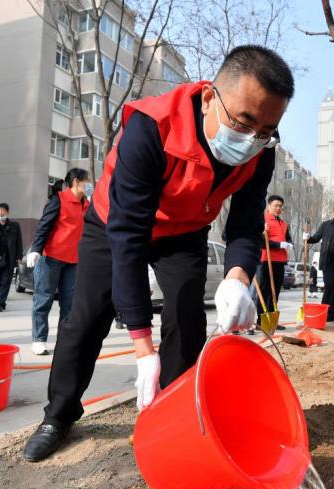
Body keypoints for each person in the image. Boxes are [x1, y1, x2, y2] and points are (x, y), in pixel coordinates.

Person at [22, 45, 294, 461]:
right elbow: (129, 237)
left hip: (184, 231)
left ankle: (171, 414)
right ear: (209, 98)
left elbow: (244, 222)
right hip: (116, 223)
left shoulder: (262, 150)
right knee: (87, 317)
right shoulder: (152, 126)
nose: (252, 139)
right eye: (244, 123)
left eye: (266, 130)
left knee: (187, 318)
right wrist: (141, 345)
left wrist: (238, 276)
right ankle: (58, 414)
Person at [26, 168, 92, 355]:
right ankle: (39, 340)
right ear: (76, 182)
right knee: (43, 299)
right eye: (87, 181)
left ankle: (64, 341)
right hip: (51, 258)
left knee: (69, 304)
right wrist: (36, 249)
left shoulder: (87, 205)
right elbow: (44, 225)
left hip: (74, 261)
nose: (89, 185)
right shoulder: (58, 200)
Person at [255, 194, 292, 331]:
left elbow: (288, 238)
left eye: (280, 206)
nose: (278, 208)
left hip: (280, 261)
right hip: (266, 260)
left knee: (275, 292)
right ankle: (261, 321)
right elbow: (261, 241)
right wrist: (278, 245)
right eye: (276, 205)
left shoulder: (283, 223)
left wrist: (289, 244)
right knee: (264, 291)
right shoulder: (263, 220)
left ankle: (272, 319)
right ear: (269, 205)